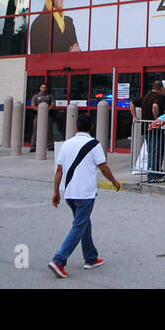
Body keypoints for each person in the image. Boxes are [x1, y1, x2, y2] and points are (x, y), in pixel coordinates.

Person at [48, 112, 121, 278]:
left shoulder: (66, 144)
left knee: (83, 223)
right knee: (79, 226)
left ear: (76, 127)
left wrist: (55, 192)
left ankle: (91, 257)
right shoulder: (94, 144)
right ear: (91, 127)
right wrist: (115, 182)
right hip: (85, 193)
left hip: (70, 193)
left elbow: (59, 170)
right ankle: (59, 260)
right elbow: (104, 167)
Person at [141, 80, 165, 182]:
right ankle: (153, 175)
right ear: (161, 88)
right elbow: (155, 106)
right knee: (156, 151)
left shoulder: (146, 96)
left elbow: (132, 103)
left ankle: (153, 173)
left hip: (146, 128)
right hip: (155, 129)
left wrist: (135, 117)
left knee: (151, 151)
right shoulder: (158, 97)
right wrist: (157, 119)